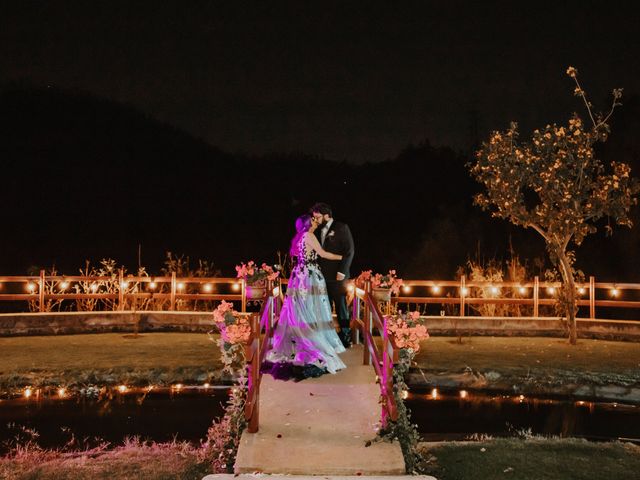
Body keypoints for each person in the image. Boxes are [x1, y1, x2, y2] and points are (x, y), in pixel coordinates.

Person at [262, 214, 347, 381]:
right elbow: (322, 254)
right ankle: (315, 341)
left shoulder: (299, 237)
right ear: (309, 224)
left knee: (301, 308)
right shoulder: (309, 235)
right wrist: (343, 257)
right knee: (313, 309)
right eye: (313, 220)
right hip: (309, 276)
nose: (316, 221)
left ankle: (301, 337)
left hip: (298, 275)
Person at [310, 203, 355, 348]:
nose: (315, 218)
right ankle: (328, 336)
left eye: (317, 215)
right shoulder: (317, 230)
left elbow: (349, 251)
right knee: (325, 306)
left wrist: (342, 272)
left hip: (338, 276)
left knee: (341, 306)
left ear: (326, 215)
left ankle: (346, 335)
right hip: (322, 276)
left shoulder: (341, 227)